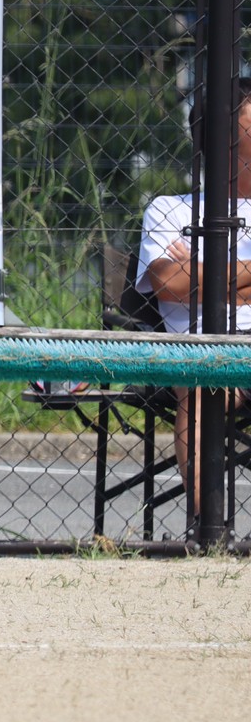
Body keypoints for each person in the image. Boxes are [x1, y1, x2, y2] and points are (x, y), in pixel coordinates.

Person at [135, 83, 251, 518]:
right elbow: (168, 284)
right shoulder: (171, 210)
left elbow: (187, 283)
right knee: (203, 388)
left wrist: (202, 274)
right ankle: (211, 530)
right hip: (203, 350)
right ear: (224, 139)